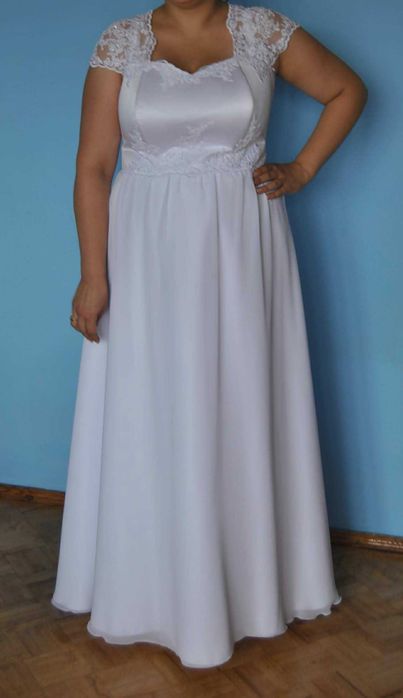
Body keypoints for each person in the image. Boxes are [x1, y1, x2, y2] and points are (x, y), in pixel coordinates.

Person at [51, 0, 367, 669]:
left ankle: (246, 587)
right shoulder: (121, 41)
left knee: (240, 402)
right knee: (150, 406)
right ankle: (146, 587)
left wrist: (302, 169)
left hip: (241, 247)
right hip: (145, 251)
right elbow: (94, 166)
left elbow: (347, 90)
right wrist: (93, 275)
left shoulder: (263, 30)